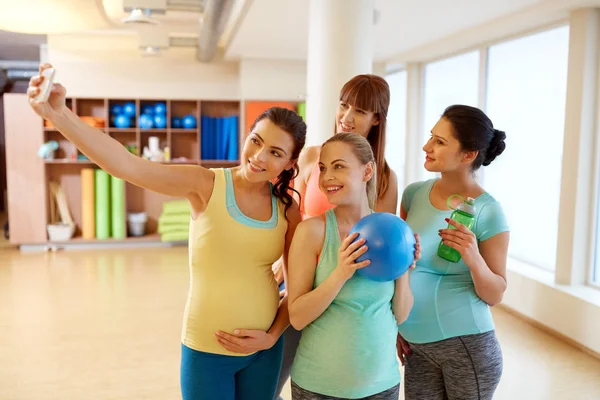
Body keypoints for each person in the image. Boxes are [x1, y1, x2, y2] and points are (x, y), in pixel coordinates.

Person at [27, 64, 305, 400]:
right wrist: (60, 116)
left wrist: (273, 336)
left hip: (263, 353)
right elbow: (127, 166)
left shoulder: (287, 210)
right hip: (207, 349)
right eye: (255, 141)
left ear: (290, 163)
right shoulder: (205, 183)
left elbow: (297, 287)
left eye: (275, 153)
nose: (259, 157)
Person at [274, 74, 398, 398]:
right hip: (301, 272)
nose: (346, 116)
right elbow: (293, 217)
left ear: (376, 119)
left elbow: (381, 241)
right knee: (280, 371)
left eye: (359, 110)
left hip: (349, 283)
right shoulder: (312, 156)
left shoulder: (384, 177)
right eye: (343, 105)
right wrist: (284, 262)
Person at [287, 133, 418, 399]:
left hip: (382, 385)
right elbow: (297, 317)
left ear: (367, 170)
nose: (326, 178)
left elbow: (400, 315)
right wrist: (341, 273)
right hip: (318, 387)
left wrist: (404, 268)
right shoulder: (311, 232)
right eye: (323, 168)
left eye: (339, 166)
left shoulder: (391, 230)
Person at [397, 104, 509, 400]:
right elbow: (403, 268)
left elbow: (496, 294)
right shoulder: (413, 194)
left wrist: (472, 256)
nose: (427, 146)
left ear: (468, 155)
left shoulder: (489, 211)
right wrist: (399, 324)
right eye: (431, 137)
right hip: (416, 346)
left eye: (439, 141)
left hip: (466, 346)